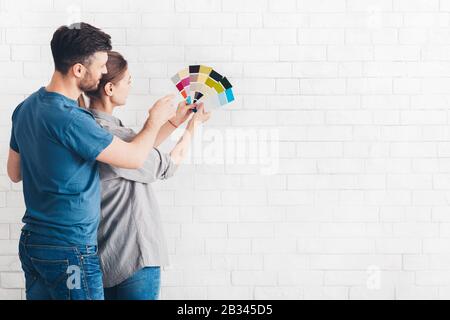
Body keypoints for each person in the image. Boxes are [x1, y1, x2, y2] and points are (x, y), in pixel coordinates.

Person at [6, 23, 177, 300]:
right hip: (70, 250)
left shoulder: (25, 108)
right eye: (98, 66)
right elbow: (133, 158)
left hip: (33, 244)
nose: (101, 74)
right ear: (78, 70)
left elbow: (14, 173)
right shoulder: (73, 120)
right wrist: (154, 120)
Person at [82, 51, 211, 300]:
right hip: (134, 259)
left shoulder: (91, 128)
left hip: (105, 259)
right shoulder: (108, 135)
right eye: (128, 80)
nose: (131, 86)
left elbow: (137, 152)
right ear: (109, 88)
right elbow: (167, 165)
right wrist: (194, 127)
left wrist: (174, 122)